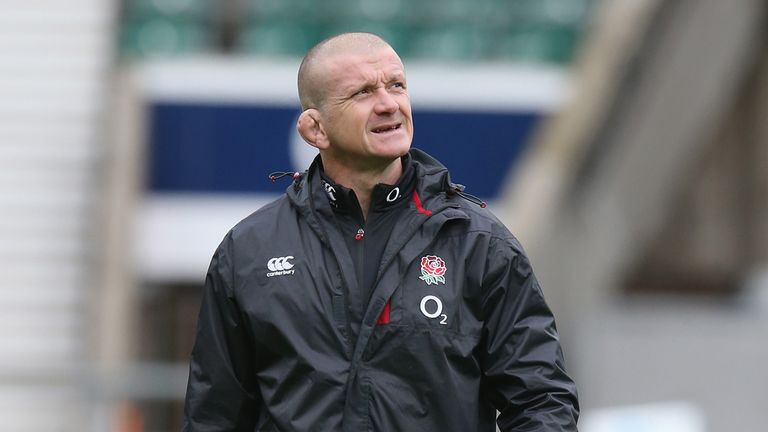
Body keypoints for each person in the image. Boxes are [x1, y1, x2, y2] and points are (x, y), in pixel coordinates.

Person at [182, 32, 579, 432]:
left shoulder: (479, 243)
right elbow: (214, 417)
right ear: (315, 129)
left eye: (396, 85)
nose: (389, 104)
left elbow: (541, 401)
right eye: (362, 93)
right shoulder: (249, 251)